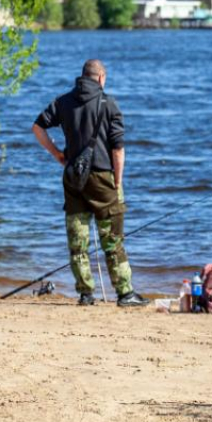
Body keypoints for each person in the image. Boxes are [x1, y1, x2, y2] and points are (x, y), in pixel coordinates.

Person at [32, 59, 149, 307]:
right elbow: (118, 150)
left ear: (83, 77)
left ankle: (86, 294)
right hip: (102, 177)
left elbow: (37, 127)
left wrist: (57, 155)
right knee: (112, 239)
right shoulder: (109, 104)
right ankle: (125, 293)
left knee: (78, 239)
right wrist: (117, 181)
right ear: (101, 77)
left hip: (74, 176)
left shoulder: (63, 101)